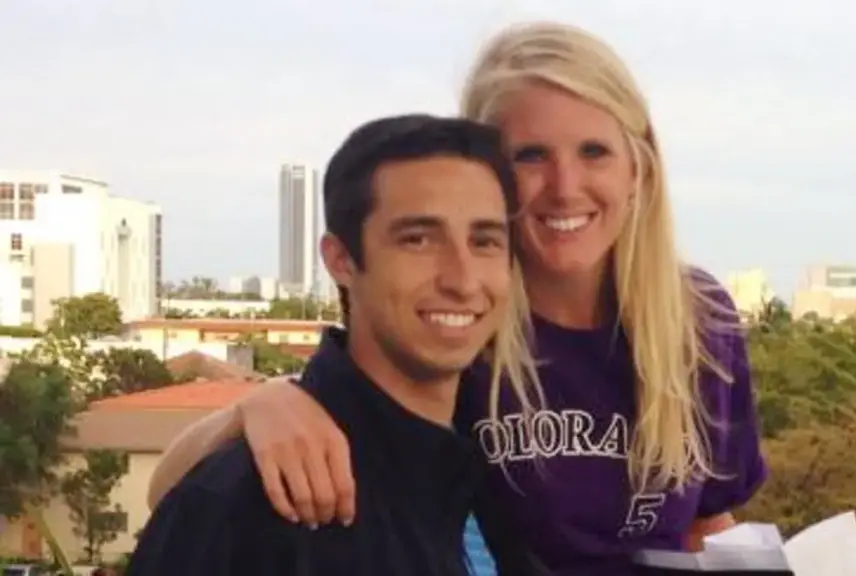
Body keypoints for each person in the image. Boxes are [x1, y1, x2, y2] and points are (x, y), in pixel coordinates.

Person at [147, 22, 767, 575]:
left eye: (594, 152)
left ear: (639, 167)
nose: (565, 186)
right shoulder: (458, 321)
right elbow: (178, 498)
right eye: (531, 156)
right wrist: (260, 406)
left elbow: (704, 522)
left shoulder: (696, 319)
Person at [126, 114, 548, 575]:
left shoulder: (495, 467)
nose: (463, 281)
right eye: (418, 240)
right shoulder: (252, 501)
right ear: (341, 259)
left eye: (484, 241)